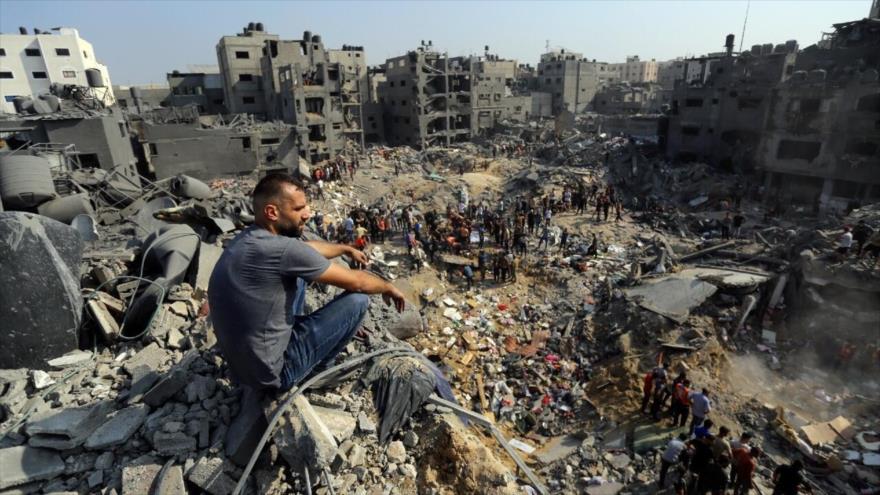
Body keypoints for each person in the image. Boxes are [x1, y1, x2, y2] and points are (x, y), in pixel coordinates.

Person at [208, 174, 405, 393]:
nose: (307, 214)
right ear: (272, 212)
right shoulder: (283, 250)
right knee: (358, 300)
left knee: (299, 278)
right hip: (275, 375)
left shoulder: (249, 238)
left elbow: (306, 250)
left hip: (243, 367)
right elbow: (358, 283)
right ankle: (316, 372)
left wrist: (344, 249)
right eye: (298, 209)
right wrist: (388, 287)